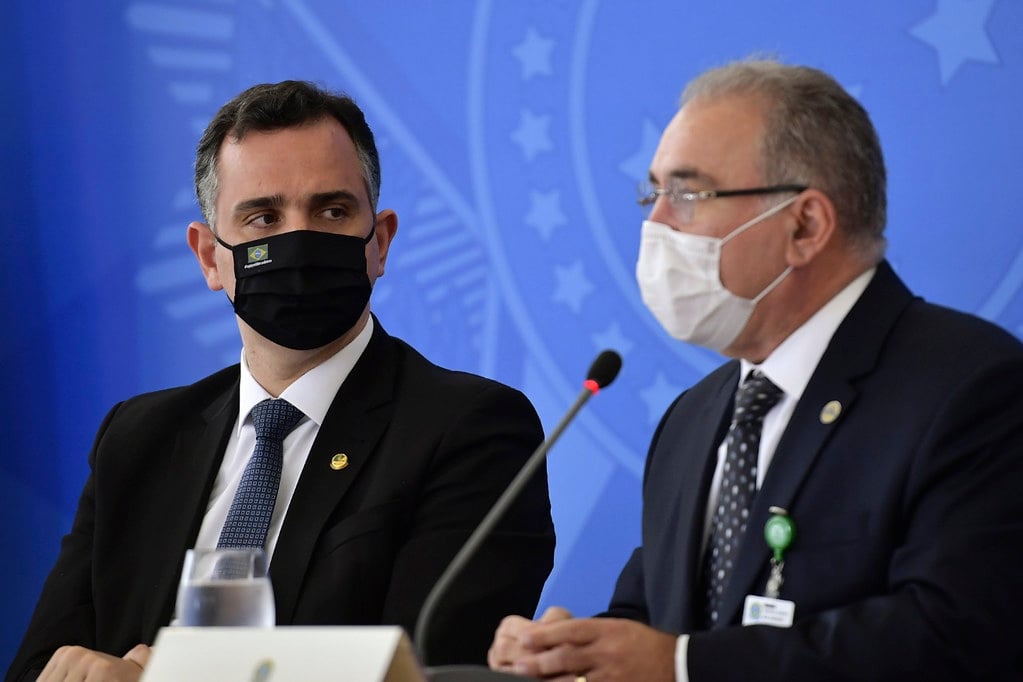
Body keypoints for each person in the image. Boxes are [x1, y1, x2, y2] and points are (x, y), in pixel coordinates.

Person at [488, 59, 1023, 681]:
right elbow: (652, 623)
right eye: (651, 193)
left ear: (805, 225)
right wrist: (573, 653)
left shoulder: (972, 388)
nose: (655, 224)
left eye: (687, 194)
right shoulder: (693, 419)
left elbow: (955, 635)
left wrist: (686, 667)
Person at [7, 80, 555, 682]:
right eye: (263, 218)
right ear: (208, 258)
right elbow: (42, 665)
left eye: (333, 211)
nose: (300, 240)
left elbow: (430, 666)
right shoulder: (138, 438)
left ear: (381, 242)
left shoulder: (469, 428)